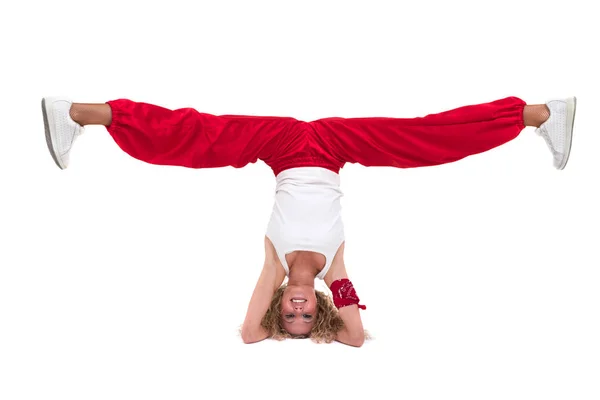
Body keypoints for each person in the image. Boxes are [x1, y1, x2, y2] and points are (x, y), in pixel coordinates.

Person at [41, 95, 577, 347]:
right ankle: (543, 114)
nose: (297, 314)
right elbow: (354, 339)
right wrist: (334, 294)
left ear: (279, 305)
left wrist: (272, 324)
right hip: (333, 145)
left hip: (280, 146)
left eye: (288, 319)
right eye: (305, 319)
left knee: (196, 137)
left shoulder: (271, 271)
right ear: (315, 308)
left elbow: (251, 335)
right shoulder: (333, 273)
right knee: (425, 142)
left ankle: (75, 113)